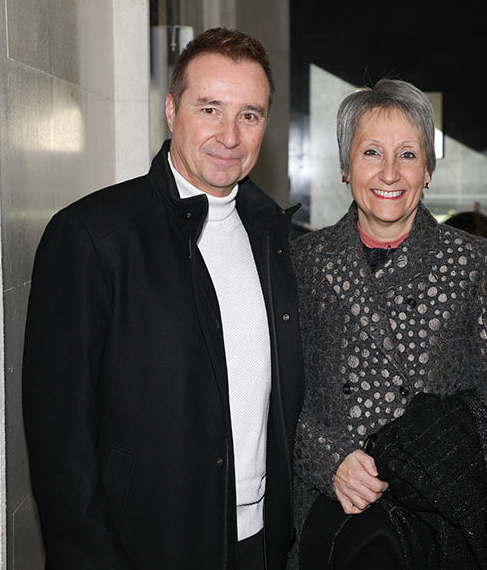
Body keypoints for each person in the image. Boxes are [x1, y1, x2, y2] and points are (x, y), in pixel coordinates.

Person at [22, 28, 304, 569]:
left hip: (262, 544)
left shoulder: (276, 240)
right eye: (210, 109)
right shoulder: (94, 237)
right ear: (172, 110)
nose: (229, 135)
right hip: (146, 548)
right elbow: (60, 444)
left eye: (249, 115)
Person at [291, 78, 487, 569]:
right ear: (345, 166)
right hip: (334, 511)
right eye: (371, 152)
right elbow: (275, 394)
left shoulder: (471, 260)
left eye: (409, 155)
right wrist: (330, 460)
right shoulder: (303, 262)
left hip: (442, 516)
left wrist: (420, 451)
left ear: (428, 170)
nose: (390, 173)